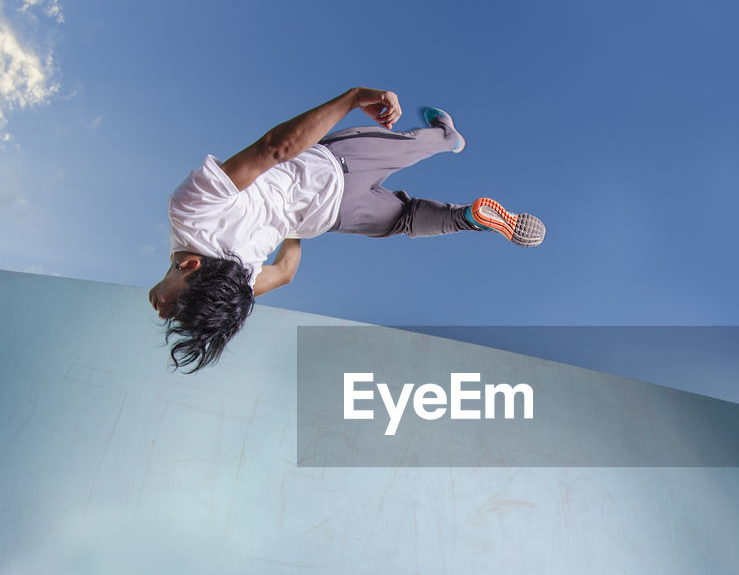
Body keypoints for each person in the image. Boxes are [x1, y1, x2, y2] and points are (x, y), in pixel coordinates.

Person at [148, 86, 545, 372]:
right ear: (191, 268)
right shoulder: (190, 212)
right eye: (177, 310)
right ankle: (446, 135)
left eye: (175, 313)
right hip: (333, 165)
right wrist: (354, 98)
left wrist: (292, 221)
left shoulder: (238, 283)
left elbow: (286, 273)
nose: (167, 312)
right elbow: (275, 149)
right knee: (413, 144)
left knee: (405, 219)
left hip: (336, 216)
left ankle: (469, 219)